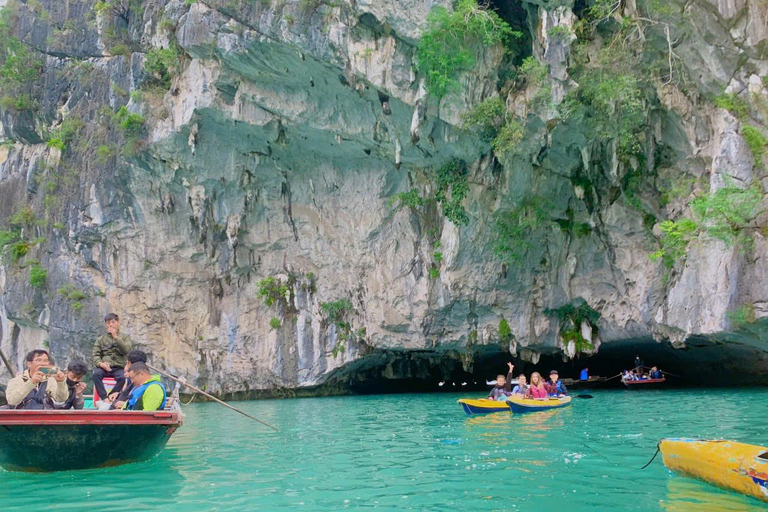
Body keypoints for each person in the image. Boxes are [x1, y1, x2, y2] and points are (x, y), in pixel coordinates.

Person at [92, 313, 132, 402]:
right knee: (96, 374)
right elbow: (95, 355)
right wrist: (101, 363)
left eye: (113, 322)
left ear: (118, 322)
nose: (110, 325)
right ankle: (104, 398)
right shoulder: (100, 339)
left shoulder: (126, 337)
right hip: (105, 367)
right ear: (105, 325)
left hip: (119, 367)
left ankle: (111, 396)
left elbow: (126, 350)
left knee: (123, 378)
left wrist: (116, 337)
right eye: (108, 323)